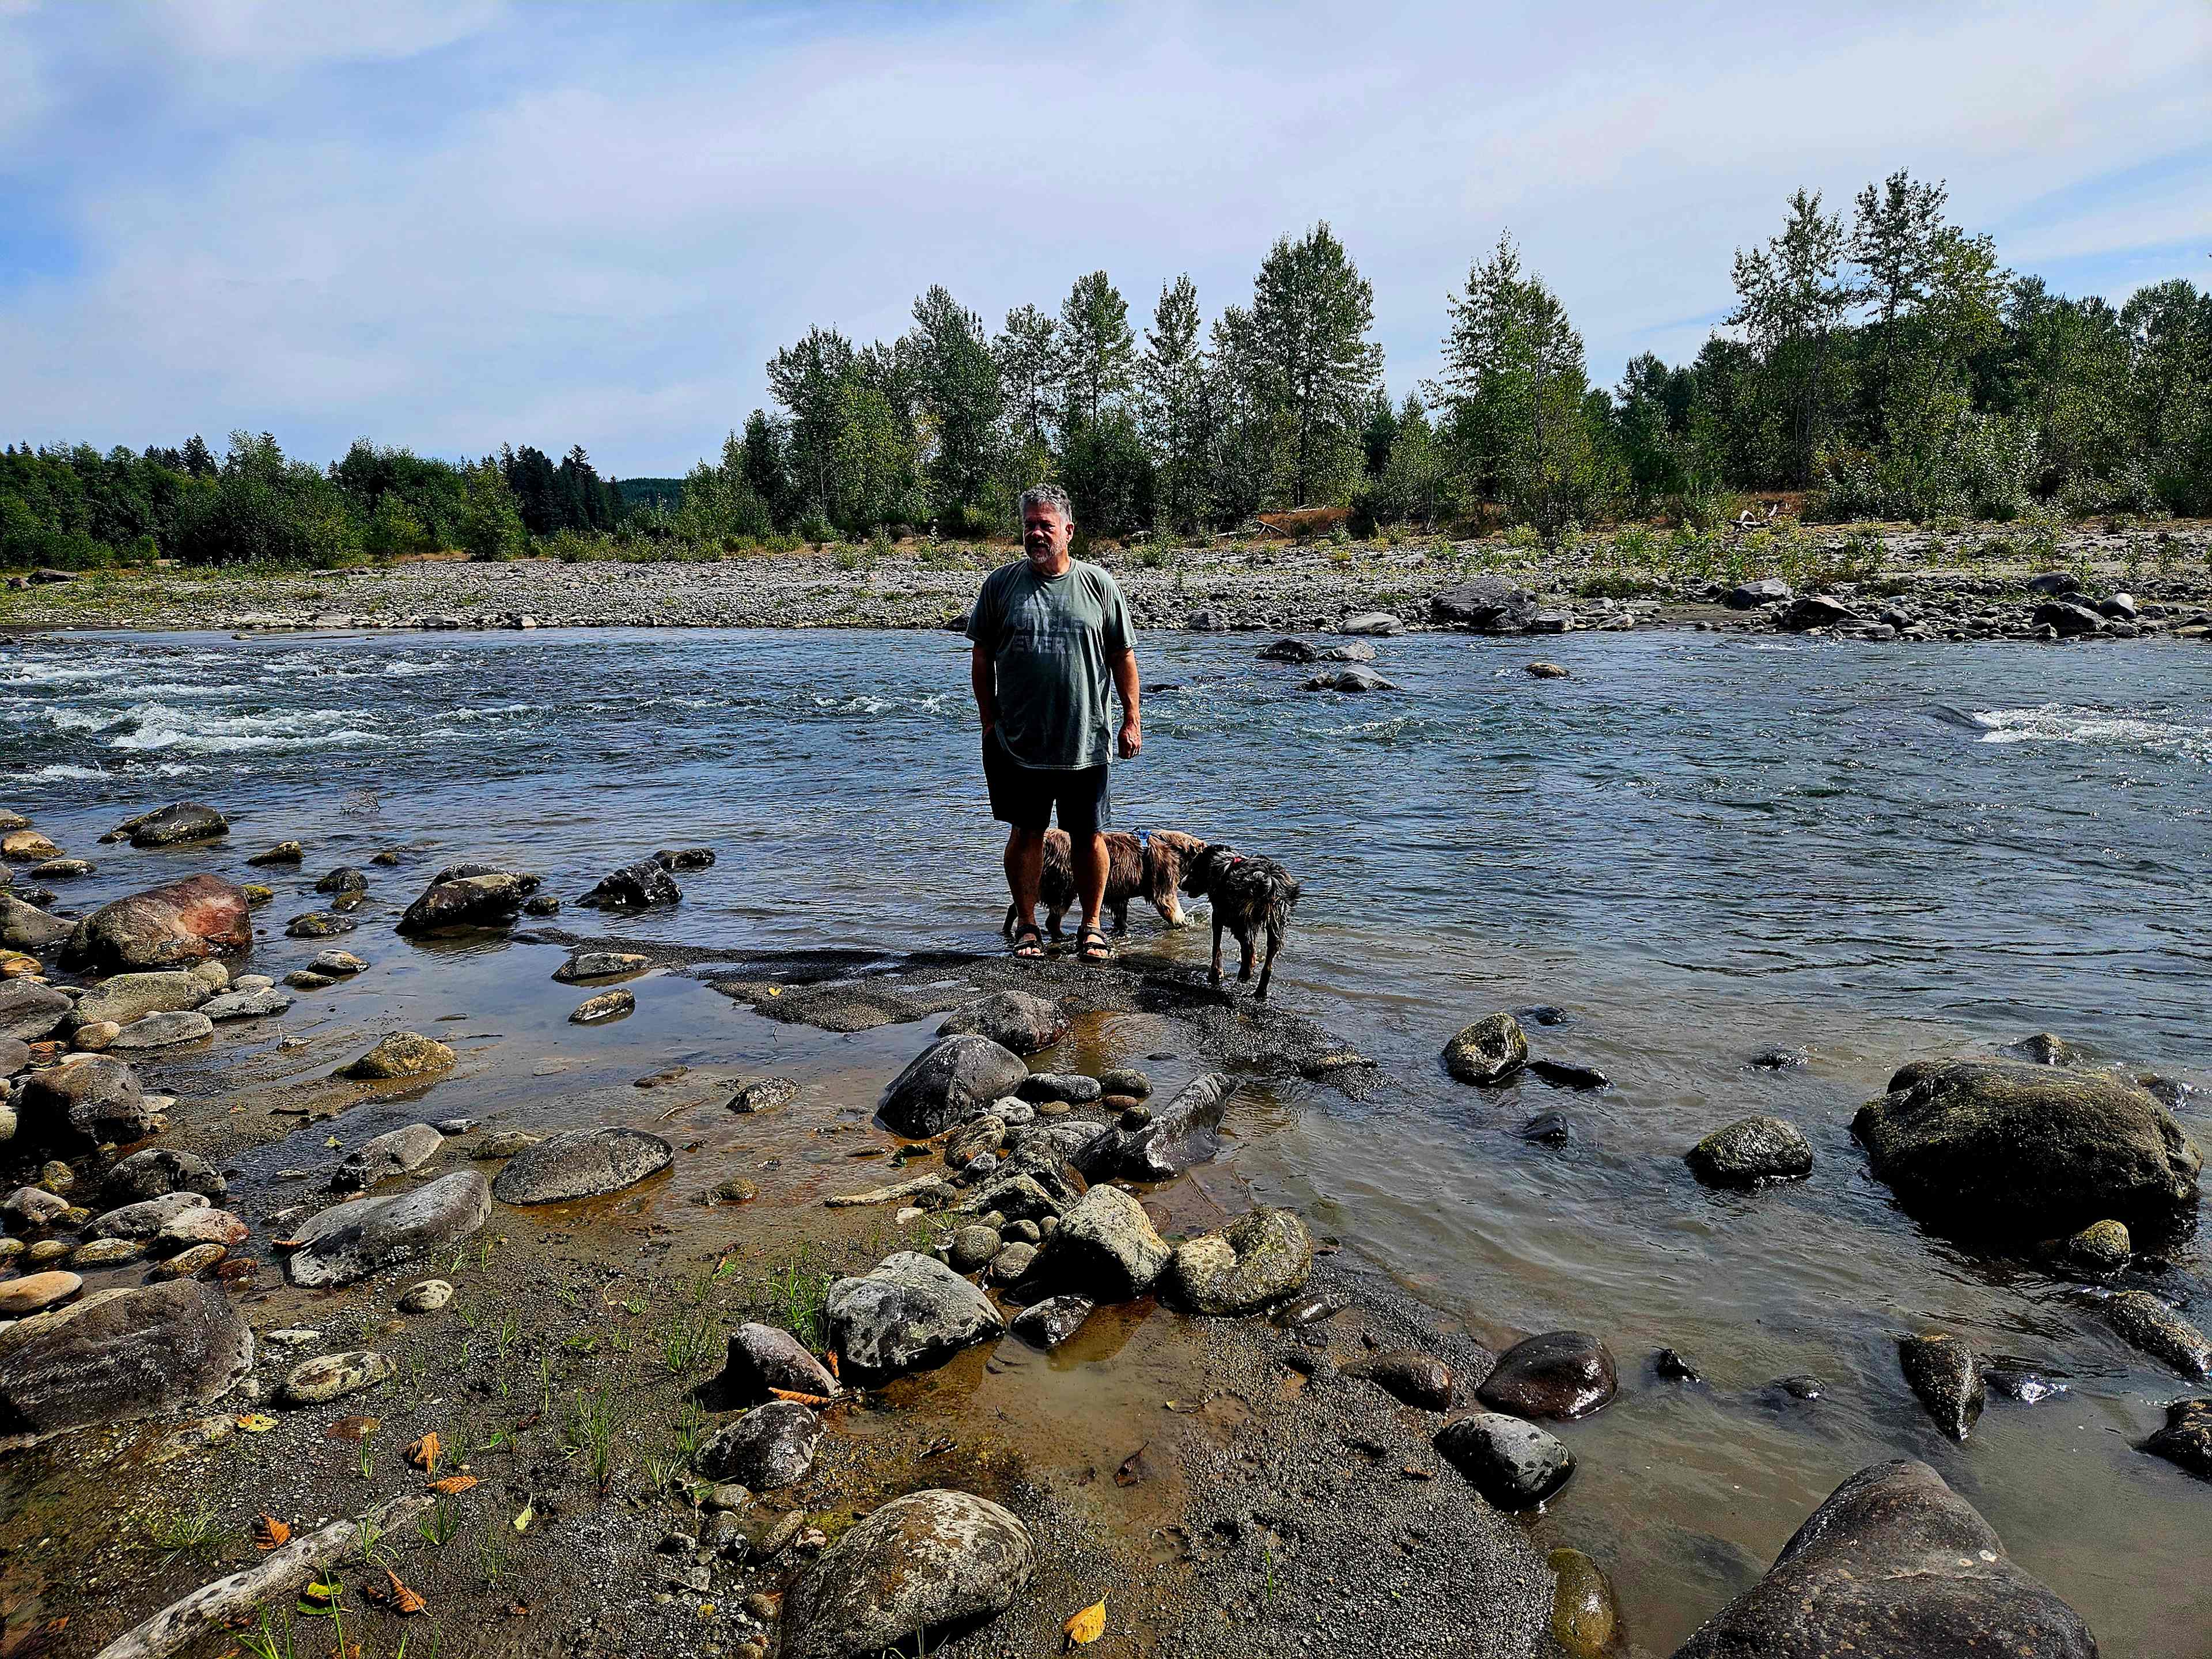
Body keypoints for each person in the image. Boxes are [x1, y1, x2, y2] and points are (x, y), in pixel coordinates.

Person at [967, 483, 1141, 962]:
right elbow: (981, 655)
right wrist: (988, 722)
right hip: (1018, 740)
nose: (1036, 534)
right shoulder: (1001, 585)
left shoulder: (1100, 586)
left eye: (1046, 525)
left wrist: (1132, 719)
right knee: (1026, 834)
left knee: (1090, 836)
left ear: (1068, 530)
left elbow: (1123, 656)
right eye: (1029, 526)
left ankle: (1091, 927)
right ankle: (1027, 927)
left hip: (1085, 738)